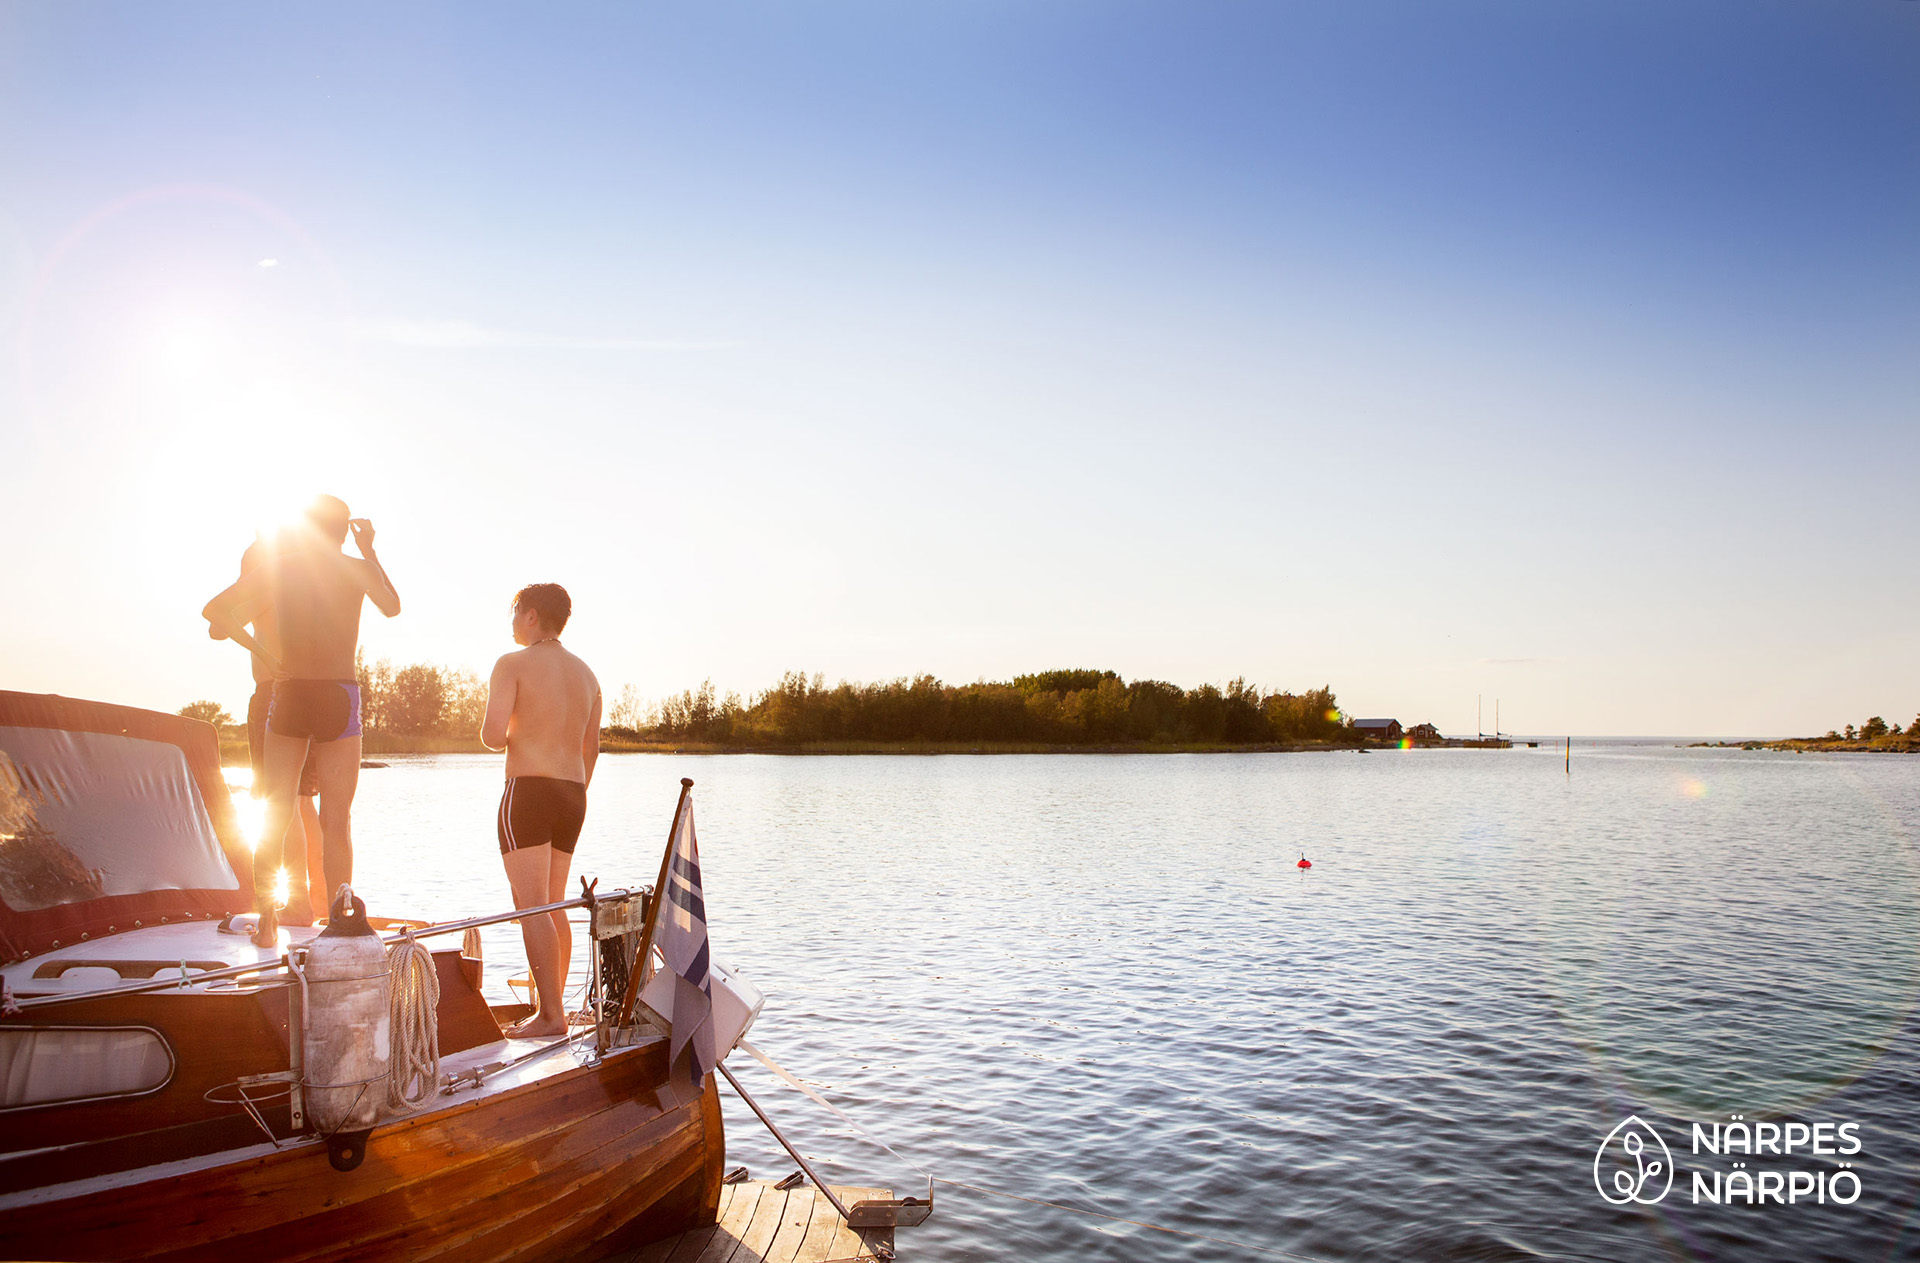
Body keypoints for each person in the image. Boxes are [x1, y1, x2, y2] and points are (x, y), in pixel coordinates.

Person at [203, 496, 401, 945]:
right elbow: (391, 607)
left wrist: (266, 656)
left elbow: (215, 613)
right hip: (338, 693)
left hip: (289, 691)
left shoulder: (281, 566)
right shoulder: (356, 567)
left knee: (276, 810)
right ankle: (338, 921)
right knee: (337, 819)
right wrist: (368, 549)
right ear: (343, 529)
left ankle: (269, 922)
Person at [480, 583, 601, 1037]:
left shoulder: (511, 664)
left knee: (531, 907)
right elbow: (592, 749)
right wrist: (571, 788)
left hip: (528, 792)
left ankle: (550, 1017)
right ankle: (553, 1006)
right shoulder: (588, 675)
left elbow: (493, 735)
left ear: (531, 616)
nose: (512, 620)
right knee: (553, 903)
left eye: (514, 612)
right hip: (573, 794)